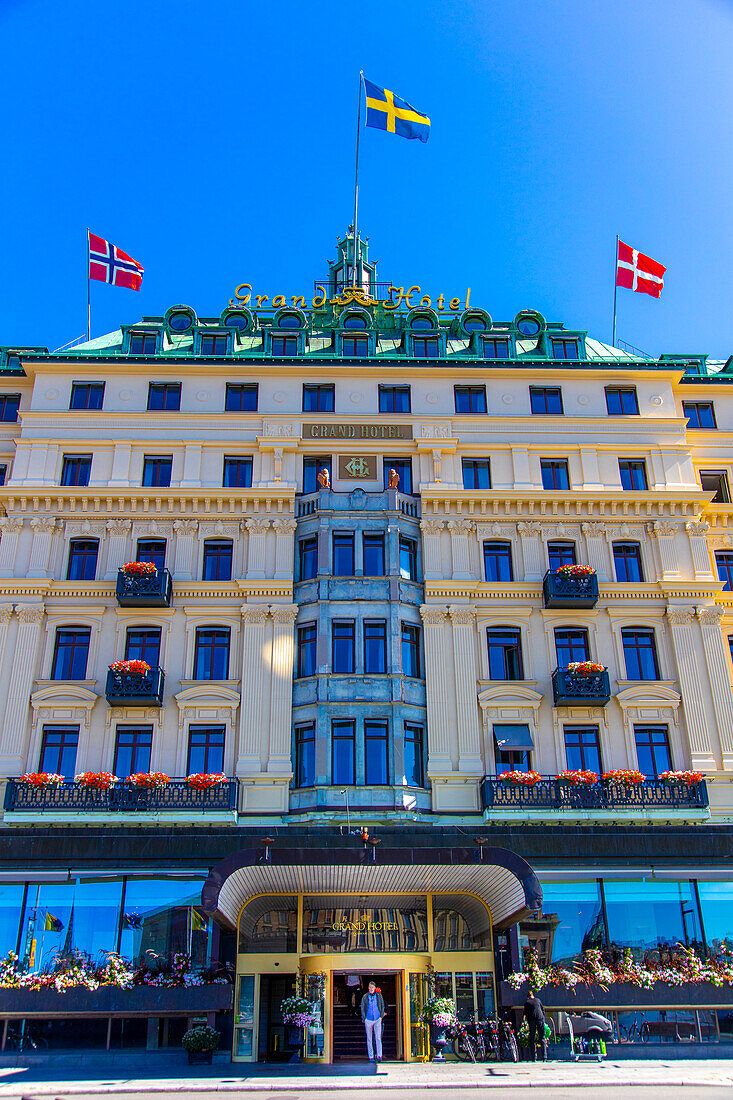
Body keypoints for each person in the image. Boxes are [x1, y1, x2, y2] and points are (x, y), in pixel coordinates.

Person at [360, 980, 385, 1062]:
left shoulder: (379, 996)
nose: (371, 989)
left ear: (375, 988)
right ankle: (371, 1056)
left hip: (377, 1018)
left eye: (372, 987)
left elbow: (382, 1005)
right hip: (368, 1019)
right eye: (370, 987)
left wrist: (381, 1016)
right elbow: (363, 1007)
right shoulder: (365, 997)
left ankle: (379, 1056)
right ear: (368, 988)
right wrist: (364, 1018)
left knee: (378, 1038)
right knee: (369, 1038)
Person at [523, 989, 547, 1061]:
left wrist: (525, 1021)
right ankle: (544, 1057)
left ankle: (534, 1057)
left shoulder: (527, 1003)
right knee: (542, 1038)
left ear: (528, 997)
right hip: (540, 1019)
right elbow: (542, 1010)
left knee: (532, 1039)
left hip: (532, 1020)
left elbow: (525, 1013)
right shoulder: (538, 1000)